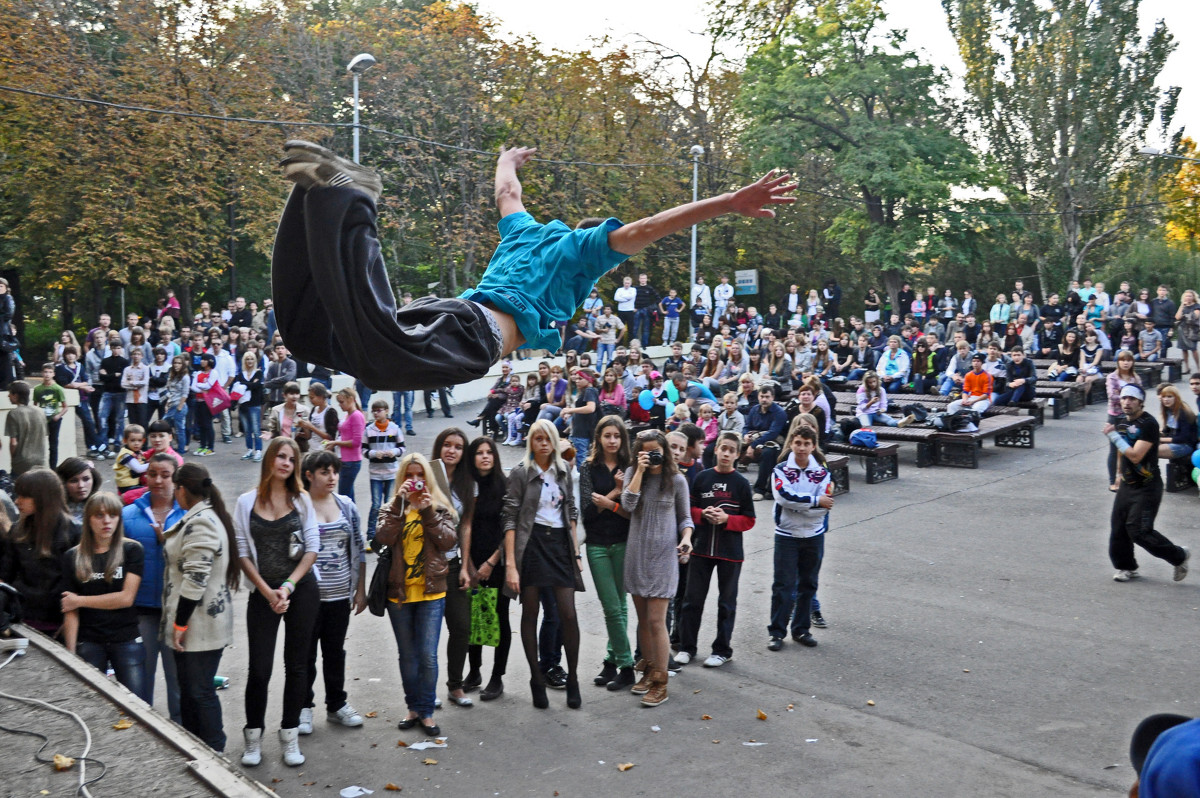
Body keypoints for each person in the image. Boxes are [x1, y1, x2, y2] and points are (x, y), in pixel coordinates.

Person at [272, 141, 796, 391]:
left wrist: (505, 158)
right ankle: (352, 199)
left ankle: (310, 199)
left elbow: (507, 192)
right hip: (474, 336)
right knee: (378, 356)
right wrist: (729, 200)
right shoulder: (582, 251)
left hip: (452, 312)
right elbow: (648, 227)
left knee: (312, 339)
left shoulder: (523, 231)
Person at [234, 437, 321, 768]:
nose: (285, 462)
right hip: (262, 592)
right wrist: (267, 590)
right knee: (259, 668)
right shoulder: (246, 502)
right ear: (269, 460)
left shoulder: (301, 501)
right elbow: (242, 550)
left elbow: (311, 547)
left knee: (298, 666)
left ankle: (289, 735)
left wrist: (286, 587)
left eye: (291, 459)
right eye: (280, 456)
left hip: (299, 588)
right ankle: (253, 738)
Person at [374, 452, 458, 737]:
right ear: (401, 479)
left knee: (427, 656)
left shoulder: (440, 508)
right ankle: (413, 708)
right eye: (409, 475)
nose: (415, 480)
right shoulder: (391, 508)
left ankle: (426, 712)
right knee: (407, 655)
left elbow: (447, 542)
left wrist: (426, 511)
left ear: (427, 477)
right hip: (399, 594)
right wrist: (399, 502)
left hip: (431, 593)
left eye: (419, 474)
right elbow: (382, 538)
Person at [502, 420, 583, 710]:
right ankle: (537, 678)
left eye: (548, 438)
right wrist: (511, 564)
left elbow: (570, 509)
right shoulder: (521, 473)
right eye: (538, 438)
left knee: (567, 614)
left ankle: (573, 677)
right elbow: (510, 517)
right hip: (532, 544)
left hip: (559, 544)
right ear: (531, 442)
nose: (543, 443)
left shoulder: (563, 471)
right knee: (531, 613)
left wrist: (575, 551)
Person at [161, 462, 239, 751]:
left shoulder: (201, 521)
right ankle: (197, 748)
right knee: (193, 691)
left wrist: (180, 624)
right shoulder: (204, 516)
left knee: (200, 690)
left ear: (181, 489)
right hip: (199, 622)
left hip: (199, 624)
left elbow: (196, 578)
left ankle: (214, 749)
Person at [619, 429, 693, 707]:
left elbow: (686, 519)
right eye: (646, 451)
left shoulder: (676, 480)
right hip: (637, 554)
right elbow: (628, 504)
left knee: (655, 620)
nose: (652, 455)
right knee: (643, 620)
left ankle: (661, 682)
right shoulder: (632, 474)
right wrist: (638, 470)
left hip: (663, 556)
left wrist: (686, 539)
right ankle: (650, 670)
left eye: (656, 451)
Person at [298, 450, 368, 736]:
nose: (332, 477)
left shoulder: (346, 505)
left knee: (334, 652)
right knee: (304, 655)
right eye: (325, 472)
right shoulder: (298, 507)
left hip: (339, 595)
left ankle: (337, 705)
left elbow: (360, 549)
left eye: (335, 472)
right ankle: (302, 708)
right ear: (309, 475)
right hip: (306, 597)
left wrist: (360, 590)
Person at [676, 431, 755, 668]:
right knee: (692, 601)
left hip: (730, 553)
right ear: (716, 449)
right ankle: (686, 647)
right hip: (700, 549)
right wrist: (703, 514)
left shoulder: (741, 484)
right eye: (723, 448)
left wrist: (727, 520)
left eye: (732, 450)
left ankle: (722, 650)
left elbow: (750, 520)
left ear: (737, 454)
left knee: (726, 603)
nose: (726, 453)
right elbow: (687, 510)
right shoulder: (702, 478)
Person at [61, 492, 146, 697]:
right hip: (89, 640)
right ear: (88, 519)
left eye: (113, 515)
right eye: (99, 515)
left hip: (125, 638)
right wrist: (71, 654)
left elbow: (126, 598)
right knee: (91, 702)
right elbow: (69, 610)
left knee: (138, 704)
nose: (107, 521)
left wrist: (79, 601)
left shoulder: (132, 549)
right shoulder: (72, 556)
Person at [123, 453, 185, 723]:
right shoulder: (128, 515)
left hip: (177, 612)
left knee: (178, 682)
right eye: (152, 474)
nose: (158, 480)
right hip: (141, 611)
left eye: (165, 475)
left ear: (176, 479)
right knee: (139, 682)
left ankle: (185, 740)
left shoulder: (189, 514)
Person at [1105, 384, 1190, 583]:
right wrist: (1118, 475)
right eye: (1124, 398)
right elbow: (1121, 452)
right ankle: (1126, 567)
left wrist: (1113, 435)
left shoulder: (1148, 424)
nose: (1127, 402)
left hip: (1147, 486)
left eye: (1132, 399)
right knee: (1118, 528)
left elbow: (1135, 456)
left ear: (1140, 402)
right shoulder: (1120, 422)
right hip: (1127, 484)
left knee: (1139, 531)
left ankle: (1179, 556)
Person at [579, 416, 635, 691]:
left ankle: (613, 662)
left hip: (624, 541)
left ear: (623, 439)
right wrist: (615, 491)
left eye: (617, 436)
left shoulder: (630, 467)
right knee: (612, 607)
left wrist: (607, 503)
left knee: (620, 606)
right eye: (607, 435)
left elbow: (632, 511)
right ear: (598, 438)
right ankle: (627, 665)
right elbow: (588, 512)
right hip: (597, 544)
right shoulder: (588, 468)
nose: (612, 440)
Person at [766, 426, 833, 652]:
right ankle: (776, 632)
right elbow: (784, 498)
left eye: (806, 443)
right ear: (791, 444)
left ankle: (801, 629)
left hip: (814, 535)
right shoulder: (780, 470)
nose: (802, 448)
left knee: (808, 584)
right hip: (786, 535)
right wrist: (814, 501)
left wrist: (805, 505)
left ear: (813, 446)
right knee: (783, 586)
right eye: (798, 443)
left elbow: (826, 507)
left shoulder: (823, 473)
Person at [0, 468, 81, 635]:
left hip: (61, 620)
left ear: (42, 498)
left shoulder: (75, 531)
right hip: (21, 618)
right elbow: (5, 575)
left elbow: (79, 583)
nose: (16, 501)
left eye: (23, 496)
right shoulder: (17, 531)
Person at [429, 427, 475, 709]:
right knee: (429, 633)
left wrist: (465, 566)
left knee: (462, 627)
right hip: (428, 565)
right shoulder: (427, 474)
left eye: (458, 447)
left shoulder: (469, 482)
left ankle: (455, 686)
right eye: (447, 445)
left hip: (455, 562)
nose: (452, 450)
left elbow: (467, 525)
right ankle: (426, 690)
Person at [463, 437, 511, 701]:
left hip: (499, 563)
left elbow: (510, 529)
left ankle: (497, 677)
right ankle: (474, 672)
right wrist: (469, 564)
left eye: (489, 452)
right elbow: (464, 525)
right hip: (472, 562)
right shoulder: (467, 486)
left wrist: (491, 562)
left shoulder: (505, 485)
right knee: (475, 618)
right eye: (479, 453)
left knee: (500, 618)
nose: (484, 457)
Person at [1104, 351, 1142, 492]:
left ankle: (1129, 478)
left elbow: (1140, 395)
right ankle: (1112, 480)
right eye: (1122, 360)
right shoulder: (1112, 377)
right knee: (1114, 450)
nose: (1125, 363)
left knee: (1130, 448)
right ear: (1118, 362)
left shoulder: (1135, 377)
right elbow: (1112, 396)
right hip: (1116, 416)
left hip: (1132, 417)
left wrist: (1125, 395)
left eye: (1128, 360)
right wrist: (1129, 395)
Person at [321, 387, 365, 502]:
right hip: (345, 460)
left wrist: (336, 443)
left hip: (351, 461)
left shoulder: (356, 416)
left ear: (351, 399)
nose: (340, 405)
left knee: (343, 497)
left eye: (342, 402)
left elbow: (356, 442)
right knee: (348, 496)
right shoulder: (348, 415)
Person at [6, 380, 46, 476]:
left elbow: (13, 443)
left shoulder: (13, 414)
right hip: (40, 460)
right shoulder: (40, 411)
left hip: (21, 462)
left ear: (16, 396)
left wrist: (13, 458)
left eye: (10, 393)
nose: (8, 396)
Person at [33, 363, 67, 467]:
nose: (47, 374)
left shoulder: (58, 389)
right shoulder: (37, 389)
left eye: (50, 372)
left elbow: (65, 407)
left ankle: (53, 468)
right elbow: (35, 405)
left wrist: (58, 416)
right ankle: (40, 466)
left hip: (54, 419)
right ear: (42, 373)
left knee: (53, 445)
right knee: (39, 444)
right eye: (45, 372)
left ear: (53, 374)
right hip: (42, 419)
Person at [1156, 384, 1198, 463]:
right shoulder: (1168, 411)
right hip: (1175, 442)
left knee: (1152, 451)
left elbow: (1183, 437)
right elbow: (1166, 431)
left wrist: (1161, 439)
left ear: (1176, 398)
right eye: (1164, 397)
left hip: (1186, 445)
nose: (1166, 399)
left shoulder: (1183, 411)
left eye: (1169, 397)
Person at [946, 353, 993, 419]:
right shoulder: (968, 375)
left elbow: (986, 395)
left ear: (982, 363)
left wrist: (972, 402)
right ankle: (952, 423)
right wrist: (965, 400)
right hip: (971, 398)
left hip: (983, 400)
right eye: (974, 361)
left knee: (974, 411)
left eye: (978, 361)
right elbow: (965, 391)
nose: (975, 363)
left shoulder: (988, 376)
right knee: (951, 406)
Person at [56, 457, 101, 524]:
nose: (81, 485)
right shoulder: (55, 509)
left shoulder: (102, 505)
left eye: (86, 479)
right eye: (74, 481)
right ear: (63, 483)